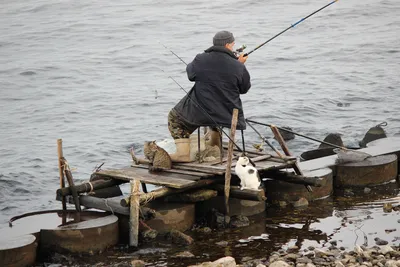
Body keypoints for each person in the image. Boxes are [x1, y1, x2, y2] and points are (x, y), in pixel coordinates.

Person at [168, 30, 251, 162]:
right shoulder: (238, 66)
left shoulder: (200, 59)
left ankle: (183, 154)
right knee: (215, 119)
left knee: (175, 119)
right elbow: (244, 88)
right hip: (226, 115)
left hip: (201, 111)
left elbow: (191, 74)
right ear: (228, 45)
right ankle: (215, 146)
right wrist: (238, 64)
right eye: (233, 44)